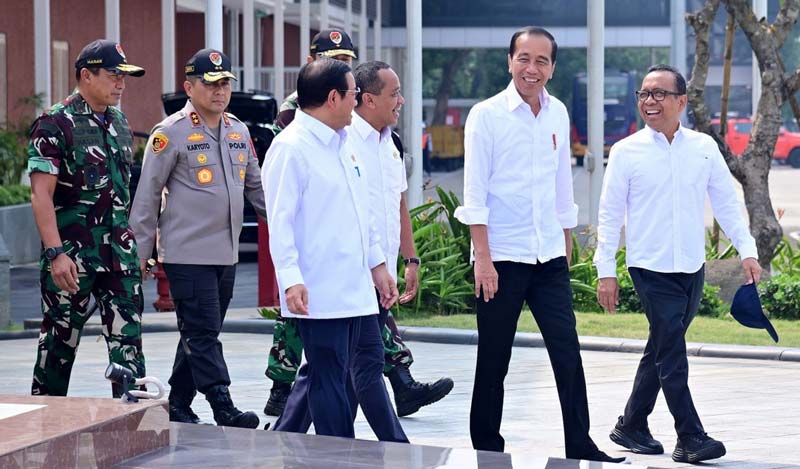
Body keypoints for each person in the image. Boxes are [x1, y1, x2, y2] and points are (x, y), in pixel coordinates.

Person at [453, 26, 626, 463]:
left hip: (548, 256)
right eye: (524, 59)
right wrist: (484, 260)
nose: (533, 69)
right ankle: (488, 448)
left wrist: (565, 242)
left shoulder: (557, 112)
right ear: (509, 61)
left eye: (542, 61)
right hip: (502, 260)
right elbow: (474, 194)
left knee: (567, 353)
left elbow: (560, 184)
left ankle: (580, 444)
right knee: (495, 358)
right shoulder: (486, 115)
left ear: (552, 66)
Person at [264, 28, 453, 418]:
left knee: (338, 369)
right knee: (328, 370)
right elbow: (282, 216)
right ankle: (295, 410)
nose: (344, 66)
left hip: (357, 275)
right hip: (320, 277)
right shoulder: (301, 129)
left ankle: (318, 430)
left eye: (347, 59)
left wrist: (394, 261)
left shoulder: (365, 138)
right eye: (333, 59)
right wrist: (290, 275)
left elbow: (373, 209)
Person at [594, 64, 761, 463]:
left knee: (662, 348)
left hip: (691, 267)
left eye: (659, 94)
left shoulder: (703, 147)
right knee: (672, 351)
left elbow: (726, 203)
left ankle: (631, 424)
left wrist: (747, 249)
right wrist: (606, 271)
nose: (649, 102)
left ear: (681, 101)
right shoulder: (625, 152)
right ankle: (690, 436)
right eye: (644, 94)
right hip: (649, 268)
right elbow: (608, 214)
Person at [262, 58, 407, 442]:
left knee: (363, 370)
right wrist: (291, 281)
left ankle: (357, 450)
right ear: (332, 98)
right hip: (320, 289)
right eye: (353, 95)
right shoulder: (290, 148)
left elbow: (364, 214)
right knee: (328, 380)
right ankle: (338, 456)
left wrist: (379, 267)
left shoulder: (345, 143)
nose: (357, 102)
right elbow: (280, 223)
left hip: (358, 288)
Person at [129, 48, 266, 429]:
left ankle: (178, 403)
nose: (220, 91)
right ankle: (223, 405)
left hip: (226, 253)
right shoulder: (169, 133)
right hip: (186, 253)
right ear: (189, 87)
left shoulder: (238, 130)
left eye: (225, 84)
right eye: (210, 84)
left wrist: (297, 226)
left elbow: (258, 190)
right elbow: (147, 195)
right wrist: (141, 251)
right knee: (203, 331)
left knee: (199, 330)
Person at [27, 39, 146, 398]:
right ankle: (44, 424)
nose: (121, 83)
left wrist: (137, 250)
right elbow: (40, 194)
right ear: (85, 75)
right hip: (72, 259)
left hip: (119, 260)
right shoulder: (54, 123)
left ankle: (131, 426)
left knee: (129, 347)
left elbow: (123, 193)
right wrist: (55, 253)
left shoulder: (120, 122)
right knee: (59, 347)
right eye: (113, 75)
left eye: (124, 76)